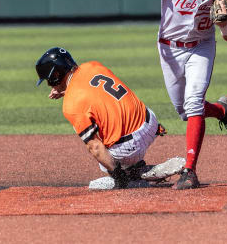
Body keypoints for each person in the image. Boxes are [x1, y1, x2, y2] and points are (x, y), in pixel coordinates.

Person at [65, 0, 227, 190]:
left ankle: (189, 172)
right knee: (184, 110)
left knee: (193, 104)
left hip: (201, 47)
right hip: (169, 48)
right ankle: (222, 110)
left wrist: (224, 24)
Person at [35, 47, 168, 189]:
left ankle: (134, 175)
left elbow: (95, 148)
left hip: (131, 146)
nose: (49, 84)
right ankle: (134, 166)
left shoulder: (72, 104)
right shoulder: (92, 66)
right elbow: (91, 90)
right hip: (151, 122)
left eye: (49, 80)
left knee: (104, 162)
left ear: (56, 74)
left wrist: (119, 177)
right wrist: (66, 90)